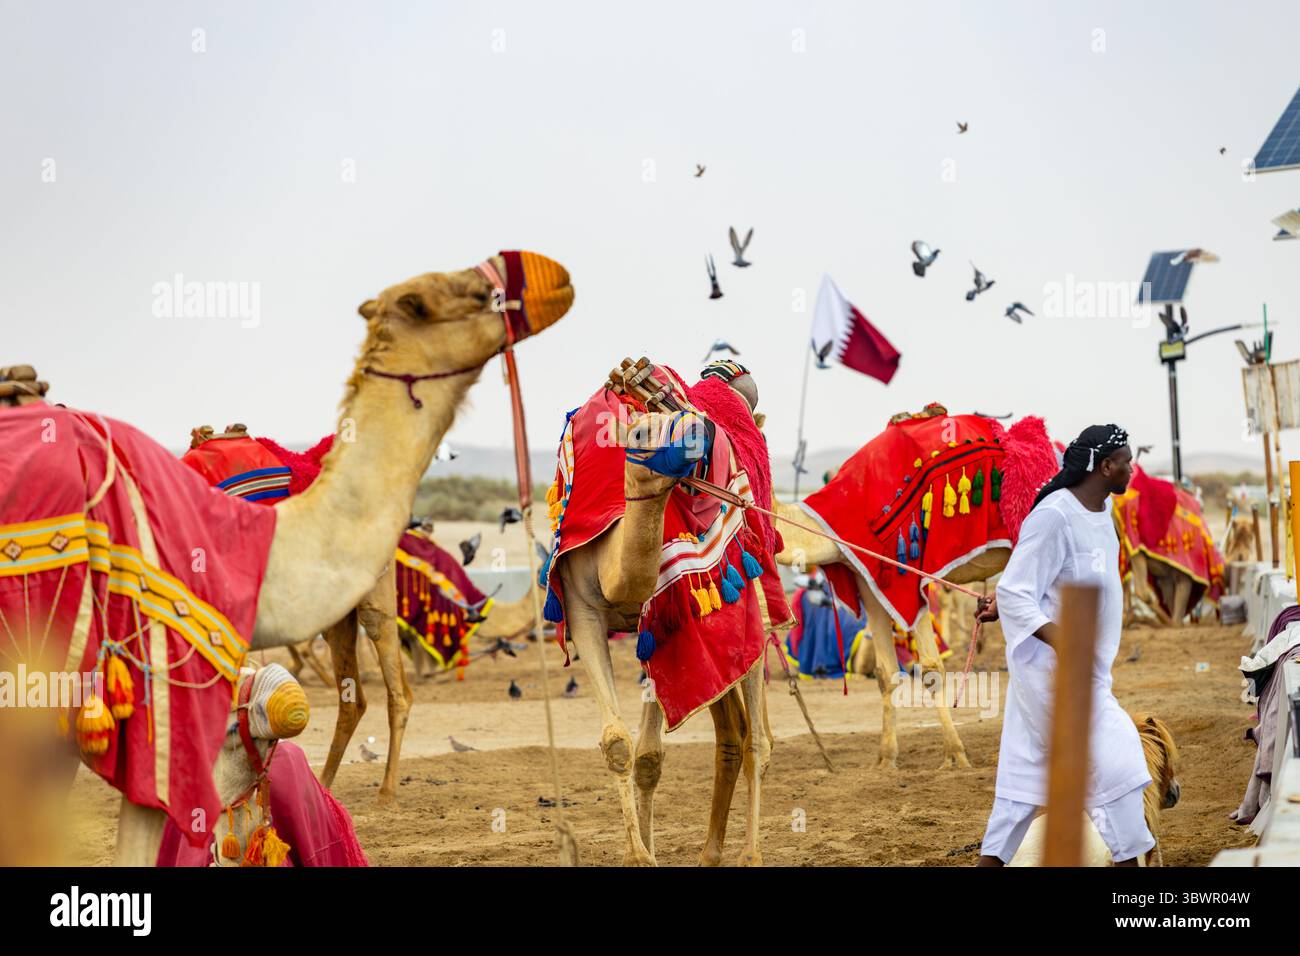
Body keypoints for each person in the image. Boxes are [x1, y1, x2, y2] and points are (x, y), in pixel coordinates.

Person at [973, 424, 1153, 867]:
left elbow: (1029, 589)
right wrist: (1065, 640)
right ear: (1105, 466)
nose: (1133, 468)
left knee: (1019, 797)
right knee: (1119, 767)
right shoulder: (1054, 514)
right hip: (1057, 676)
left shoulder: (1102, 512)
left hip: (1084, 673)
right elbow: (1018, 591)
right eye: (1127, 461)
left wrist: (1008, 605)